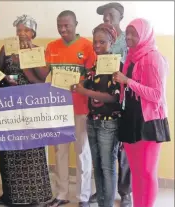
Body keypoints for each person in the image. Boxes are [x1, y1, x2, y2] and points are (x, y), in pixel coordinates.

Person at [113, 18, 170, 207]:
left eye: (133, 34)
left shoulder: (154, 57)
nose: (128, 37)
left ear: (144, 35)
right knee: (136, 172)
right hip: (131, 117)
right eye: (127, 33)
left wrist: (128, 82)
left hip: (149, 120)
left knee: (147, 172)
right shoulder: (131, 56)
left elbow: (156, 95)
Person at [0, 14, 52, 206]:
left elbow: (42, 77)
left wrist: (28, 58)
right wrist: (6, 79)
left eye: (26, 30)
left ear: (33, 33)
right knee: (12, 150)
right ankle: (11, 195)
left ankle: (35, 195)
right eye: (19, 30)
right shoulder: (7, 48)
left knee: (31, 149)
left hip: (31, 106)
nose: (22, 34)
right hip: (10, 105)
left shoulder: (39, 51)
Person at [45, 10, 96, 207]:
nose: (63, 29)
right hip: (58, 107)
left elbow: (93, 76)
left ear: (76, 24)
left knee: (82, 151)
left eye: (67, 25)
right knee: (61, 151)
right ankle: (61, 193)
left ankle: (83, 196)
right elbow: (43, 73)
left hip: (82, 107)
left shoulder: (87, 46)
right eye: (60, 25)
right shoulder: (51, 47)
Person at [73, 23, 122, 207]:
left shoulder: (116, 64)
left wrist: (85, 92)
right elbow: (90, 83)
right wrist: (78, 84)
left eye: (102, 42)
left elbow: (113, 98)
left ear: (112, 42)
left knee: (108, 168)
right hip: (92, 120)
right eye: (95, 42)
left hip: (108, 124)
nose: (98, 46)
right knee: (98, 167)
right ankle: (102, 202)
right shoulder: (95, 64)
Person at [90, 3, 132, 206]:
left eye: (110, 16)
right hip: (99, 110)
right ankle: (104, 192)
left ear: (120, 16)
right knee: (103, 159)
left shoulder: (129, 39)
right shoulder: (100, 39)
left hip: (122, 102)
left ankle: (124, 192)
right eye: (104, 16)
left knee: (120, 155)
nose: (106, 19)